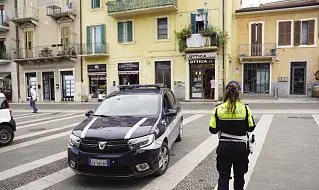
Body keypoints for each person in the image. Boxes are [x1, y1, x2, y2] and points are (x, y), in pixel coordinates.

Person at [209, 81, 256, 190]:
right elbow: (251, 127)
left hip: (224, 148)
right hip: (240, 149)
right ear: (239, 93)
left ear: (225, 92)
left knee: (223, 176)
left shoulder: (218, 108)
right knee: (239, 177)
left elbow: (212, 129)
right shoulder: (245, 108)